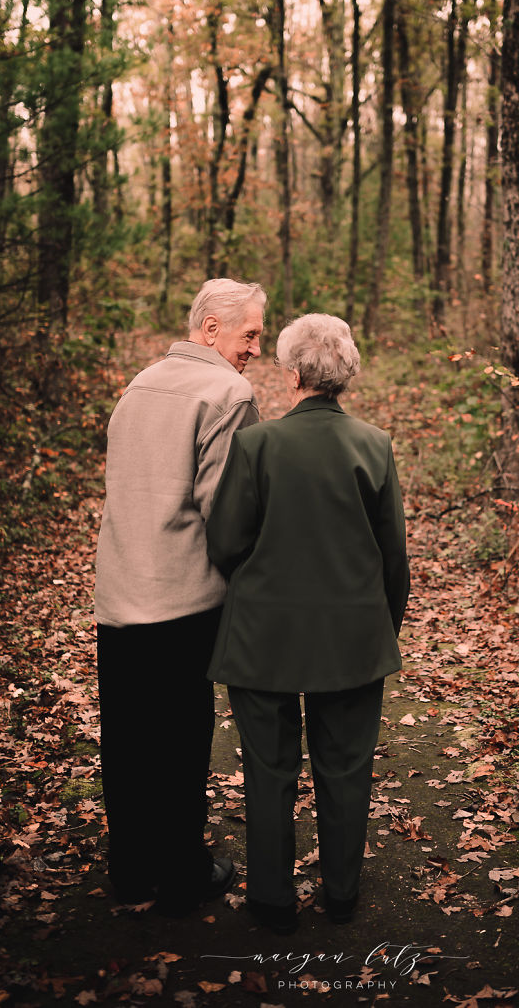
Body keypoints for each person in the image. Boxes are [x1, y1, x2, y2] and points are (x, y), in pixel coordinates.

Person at [205, 313, 410, 935]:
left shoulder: (257, 444)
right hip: (351, 637)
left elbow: (226, 541)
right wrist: (380, 627)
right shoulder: (373, 444)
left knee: (269, 767)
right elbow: (392, 556)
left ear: (292, 374)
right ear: (342, 374)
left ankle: (272, 898)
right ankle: (341, 893)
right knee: (345, 765)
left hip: (264, 637)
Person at [94, 278, 266, 915]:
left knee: (128, 734)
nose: (256, 348)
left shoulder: (140, 382)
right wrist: (250, 574)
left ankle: (132, 868)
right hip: (182, 597)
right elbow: (225, 510)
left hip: (118, 589)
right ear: (211, 329)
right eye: (249, 333)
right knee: (181, 734)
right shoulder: (229, 392)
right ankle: (183, 870)